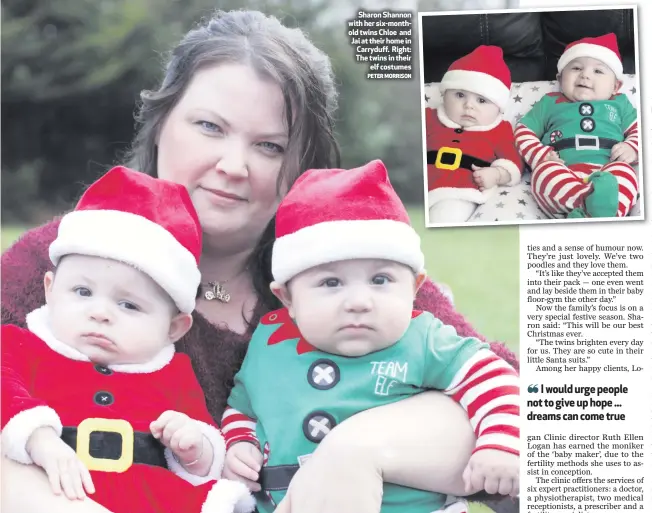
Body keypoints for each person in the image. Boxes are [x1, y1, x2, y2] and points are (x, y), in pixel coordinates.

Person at [1, 9, 519, 513]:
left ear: (303, 163)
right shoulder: (71, 259)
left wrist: (358, 449)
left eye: (270, 146)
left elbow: (552, 427)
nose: (233, 166)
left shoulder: (355, 267)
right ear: (161, 122)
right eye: (208, 126)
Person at [222, 160, 520, 513]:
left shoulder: (422, 338)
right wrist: (240, 444)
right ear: (288, 298)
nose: (359, 302)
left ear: (414, 288)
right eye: (331, 283)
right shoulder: (269, 344)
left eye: (380, 280)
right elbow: (242, 407)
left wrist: (500, 443)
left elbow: (495, 378)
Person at [2, 167, 255, 513]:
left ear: (174, 328)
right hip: (49, 488)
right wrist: (38, 437)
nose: (101, 313)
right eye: (82, 291)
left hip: (147, 496)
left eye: (129, 305)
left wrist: (194, 447)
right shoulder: (22, 346)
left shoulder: (173, 372)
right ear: (49, 290)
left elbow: (204, 452)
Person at [514, 33, 639, 219]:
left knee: (626, 173)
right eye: (576, 68)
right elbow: (523, 130)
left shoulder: (620, 103)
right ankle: (594, 210)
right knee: (542, 173)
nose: (585, 75)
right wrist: (540, 156)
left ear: (615, 86)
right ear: (560, 78)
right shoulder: (549, 102)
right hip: (563, 170)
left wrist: (633, 147)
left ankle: (587, 214)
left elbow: (642, 129)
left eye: (598, 71)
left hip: (608, 168)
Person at [426, 46, 523, 224]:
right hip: (419, 185)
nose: (469, 105)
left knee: (445, 217)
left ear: (498, 108)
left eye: (481, 100)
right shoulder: (429, 117)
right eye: (460, 95)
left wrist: (497, 174)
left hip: (459, 192)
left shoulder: (500, 130)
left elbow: (514, 161)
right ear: (444, 95)